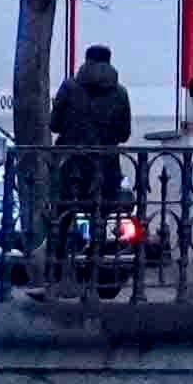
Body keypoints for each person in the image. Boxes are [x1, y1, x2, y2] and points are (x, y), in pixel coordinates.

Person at [48, 44, 134, 281]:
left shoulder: (69, 87)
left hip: (71, 165)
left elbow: (53, 124)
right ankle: (93, 277)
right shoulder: (120, 93)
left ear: (86, 61)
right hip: (104, 167)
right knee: (100, 219)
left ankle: (53, 276)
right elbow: (125, 133)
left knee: (61, 219)